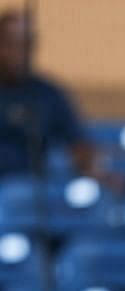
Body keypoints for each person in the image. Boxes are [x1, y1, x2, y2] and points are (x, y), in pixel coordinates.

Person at [0, 10, 118, 183]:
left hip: (35, 189)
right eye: (11, 44)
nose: (18, 53)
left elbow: (78, 142)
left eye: (26, 45)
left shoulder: (47, 94)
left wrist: (93, 167)